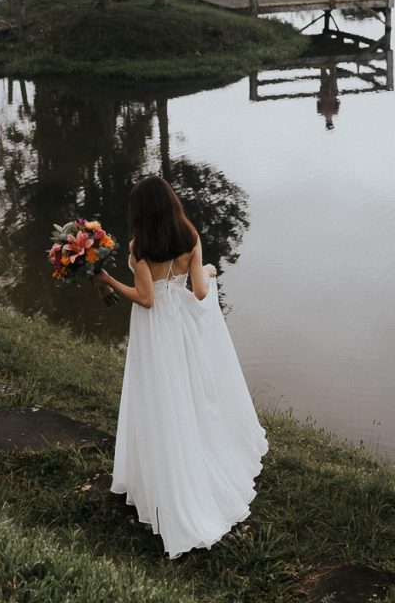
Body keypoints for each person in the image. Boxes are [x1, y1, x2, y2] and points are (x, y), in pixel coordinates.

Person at [95, 175, 267, 559]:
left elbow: (145, 298)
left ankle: (159, 477)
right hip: (182, 327)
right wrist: (207, 272)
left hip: (154, 332)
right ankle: (190, 459)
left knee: (157, 397)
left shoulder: (141, 248)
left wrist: (108, 280)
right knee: (186, 393)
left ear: (141, 212)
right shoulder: (190, 237)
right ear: (171, 203)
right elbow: (201, 292)